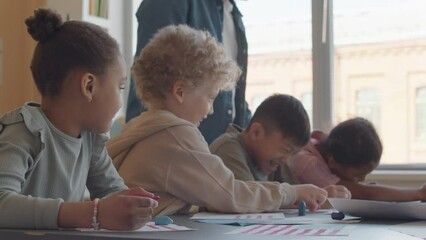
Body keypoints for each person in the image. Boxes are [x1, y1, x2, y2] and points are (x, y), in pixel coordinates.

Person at [108, 24, 329, 217]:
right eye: (210, 97)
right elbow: (230, 194)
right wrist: (292, 192)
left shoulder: (140, 126)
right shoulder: (176, 134)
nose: (211, 110)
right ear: (180, 91)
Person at [0, 9, 158, 230]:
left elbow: (112, 191)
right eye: (120, 87)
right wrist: (93, 213)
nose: (121, 101)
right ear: (89, 86)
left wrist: (130, 204)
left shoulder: (90, 139)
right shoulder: (24, 131)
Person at [125, 0, 251, 144]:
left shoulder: (234, 14)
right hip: (175, 146)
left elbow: (235, 98)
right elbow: (153, 82)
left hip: (215, 148)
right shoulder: (170, 4)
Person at [210, 94, 351, 199]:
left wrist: (317, 197)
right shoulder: (228, 149)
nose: (287, 160)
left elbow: (294, 193)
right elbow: (249, 199)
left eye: (293, 153)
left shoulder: (272, 161)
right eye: (286, 150)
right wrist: (300, 197)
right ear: (256, 132)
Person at [288, 117, 426, 201]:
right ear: (333, 162)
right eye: (358, 175)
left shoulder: (326, 149)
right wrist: (419, 193)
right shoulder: (308, 163)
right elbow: (367, 194)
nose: (362, 180)